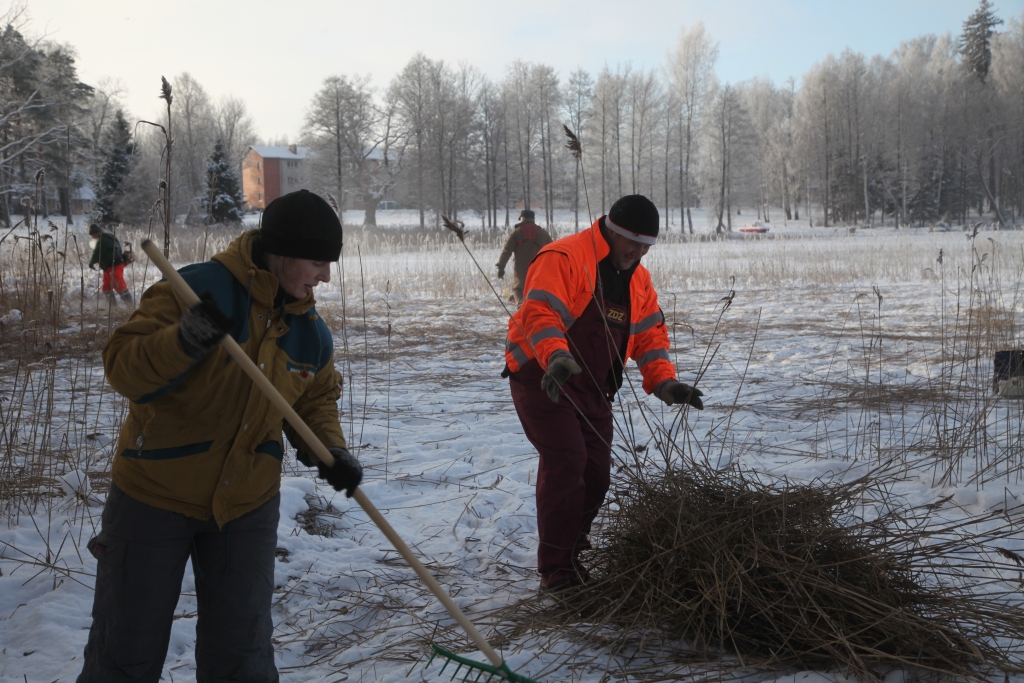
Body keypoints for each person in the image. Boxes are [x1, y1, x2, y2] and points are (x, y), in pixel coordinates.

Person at [78, 189, 364, 683]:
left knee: (243, 659)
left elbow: (314, 399)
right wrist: (183, 340)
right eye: (317, 262)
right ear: (282, 252)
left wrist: (330, 449)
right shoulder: (197, 289)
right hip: (155, 494)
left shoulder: (308, 328)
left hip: (247, 508)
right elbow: (123, 368)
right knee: (124, 653)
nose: (326, 276)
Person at [502, 194, 706, 594]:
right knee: (568, 462)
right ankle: (557, 572)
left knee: (596, 475)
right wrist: (556, 356)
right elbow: (538, 313)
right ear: (611, 229)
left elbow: (649, 337)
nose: (639, 251)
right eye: (633, 241)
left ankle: (572, 553)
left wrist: (664, 381)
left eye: (648, 244)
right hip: (544, 377)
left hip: (594, 387)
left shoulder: (639, 280)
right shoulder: (564, 257)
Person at [495, 209, 553, 305]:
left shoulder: (517, 232)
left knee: (518, 288)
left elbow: (507, 251)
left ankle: (520, 305)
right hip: (538, 266)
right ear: (533, 219)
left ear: (524, 218)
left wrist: (501, 267)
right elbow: (553, 249)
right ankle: (535, 309)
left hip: (521, 267)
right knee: (536, 288)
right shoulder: (543, 233)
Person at [88, 223, 132, 305]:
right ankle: (113, 308)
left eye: (93, 235)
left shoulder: (102, 241)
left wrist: (91, 262)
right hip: (112, 266)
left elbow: (97, 252)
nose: (92, 237)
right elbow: (118, 247)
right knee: (106, 287)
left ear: (97, 233)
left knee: (119, 285)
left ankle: (130, 306)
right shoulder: (110, 236)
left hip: (113, 266)